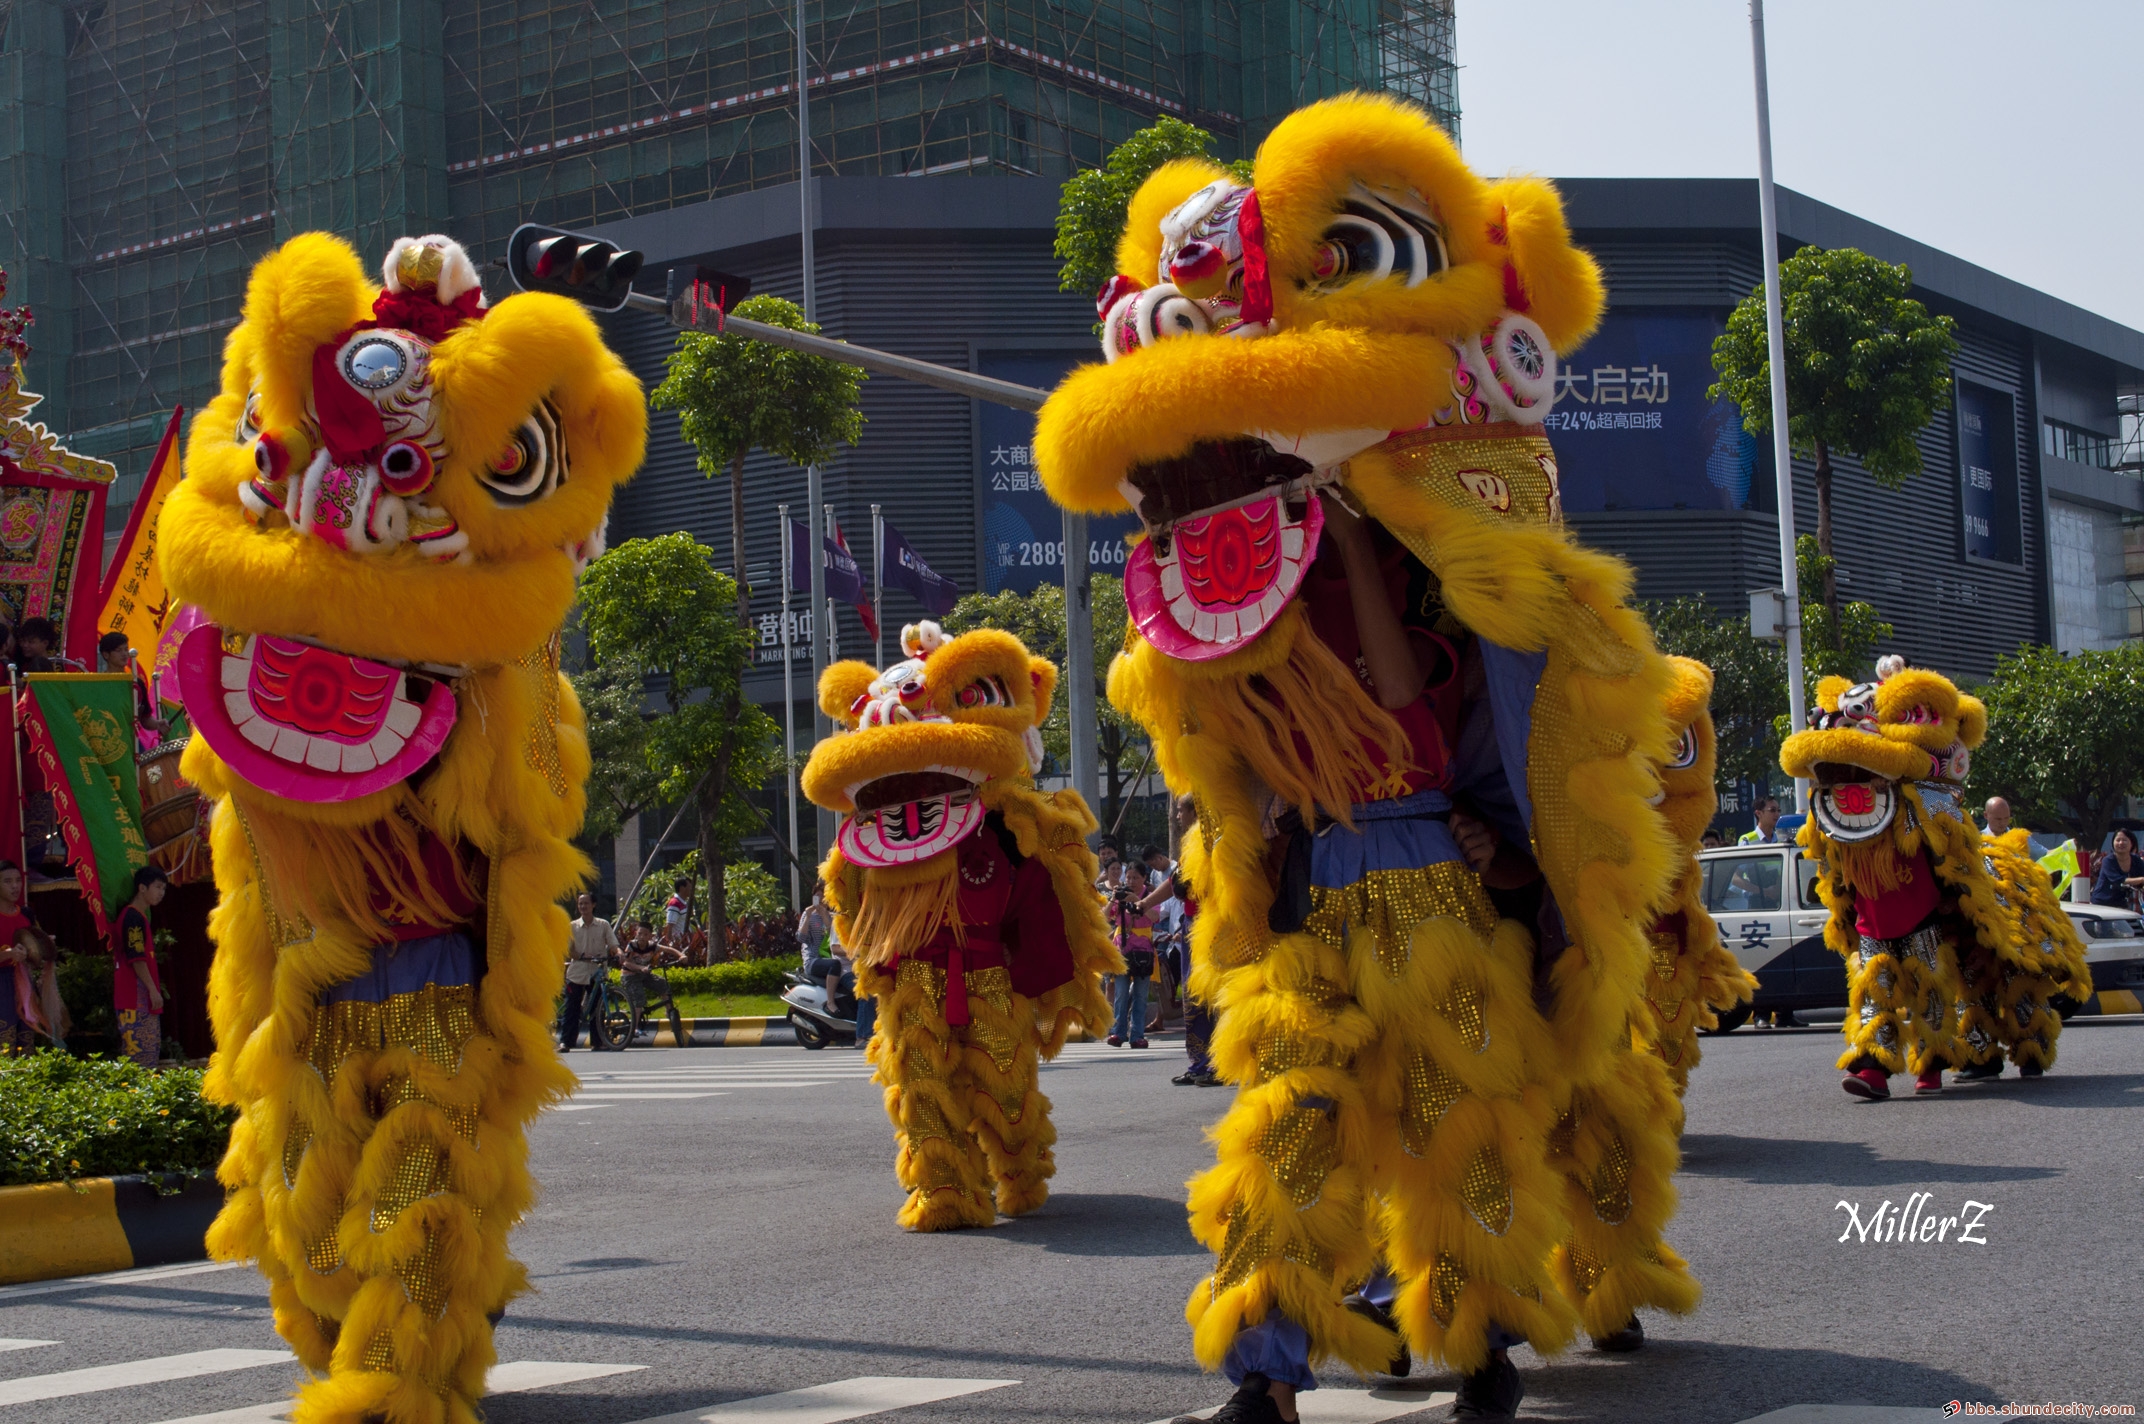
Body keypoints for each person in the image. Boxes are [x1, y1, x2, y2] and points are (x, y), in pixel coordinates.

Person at [113, 865, 168, 1068]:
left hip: (138, 997)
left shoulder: (139, 916)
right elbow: (136, 958)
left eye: (164, 889)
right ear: (142, 888)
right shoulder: (132, 917)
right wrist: (153, 990)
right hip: (134, 997)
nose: (161, 893)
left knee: (147, 1054)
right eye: (158, 887)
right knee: (140, 1058)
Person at [1107, 862, 1160, 1048]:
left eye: (1135, 877)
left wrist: (1137, 899)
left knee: (1140, 994)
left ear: (1144, 878)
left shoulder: (1149, 896)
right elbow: (1106, 917)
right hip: (1122, 950)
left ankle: (1137, 1035)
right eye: (1128, 877)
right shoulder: (1120, 895)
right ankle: (1118, 1033)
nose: (1131, 881)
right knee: (1120, 993)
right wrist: (1114, 899)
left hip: (1143, 952)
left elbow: (1155, 917)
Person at [559, 892, 617, 1050]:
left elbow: (613, 944)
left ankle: (598, 1042)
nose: (583, 906)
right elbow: (568, 950)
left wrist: (620, 954)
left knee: (598, 1008)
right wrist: (584, 956)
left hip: (597, 972)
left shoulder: (603, 924)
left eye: (586, 903)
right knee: (572, 1008)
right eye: (580, 904)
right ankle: (566, 1042)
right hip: (577, 972)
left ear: (594, 905)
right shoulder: (572, 926)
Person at [0, 861, 43, 1053]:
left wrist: (42, 946)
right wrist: (6, 954)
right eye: (8, 881)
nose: (15, 886)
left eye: (18, 880)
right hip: (2, 984)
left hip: (23, 981)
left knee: (26, 1039)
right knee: (5, 1041)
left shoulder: (25, 914)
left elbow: (35, 950)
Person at [620, 923, 686, 1044]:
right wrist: (640, 968)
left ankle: (669, 1013)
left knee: (662, 984)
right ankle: (634, 1028)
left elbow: (668, 949)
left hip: (644, 974)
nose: (642, 937)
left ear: (650, 936)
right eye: (640, 934)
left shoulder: (652, 946)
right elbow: (626, 963)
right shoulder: (632, 946)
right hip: (630, 976)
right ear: (636, 934)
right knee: (639, 998)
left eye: (645, 934)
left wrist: (681, 955)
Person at [2091, 827, 2144, 909]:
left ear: (2131, 843)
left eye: (2124, 840)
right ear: (2113, 843)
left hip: (2122, 903)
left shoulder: (2136, 859)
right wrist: (2141, 879)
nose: (2121, 843)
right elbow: (2118, 880)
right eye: (2118, 840)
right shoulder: (2108, 860)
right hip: (2101, 904)